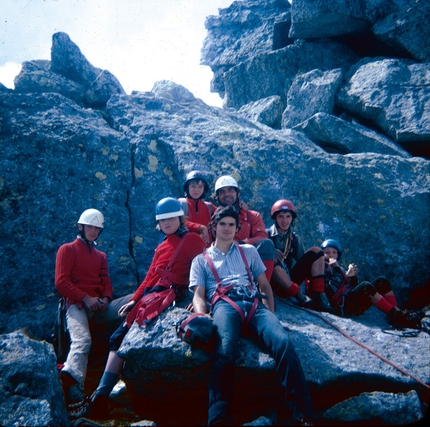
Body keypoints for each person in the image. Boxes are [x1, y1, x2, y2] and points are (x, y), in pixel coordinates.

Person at [190, 205, 314, 426]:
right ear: (214, 227)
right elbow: (199, 295)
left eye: (231, 225)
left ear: (237, 228)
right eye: (222, 224)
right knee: (224, 351)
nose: (227, 229)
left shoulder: (249, 251)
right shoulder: (201, 260)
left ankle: (301, 413)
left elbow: (265, 286)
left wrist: (270, 314)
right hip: (224, 304)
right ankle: (219, 419)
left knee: (283, 342)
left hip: (254, 303)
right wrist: (202, 315)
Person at [85, 197, 206, 418]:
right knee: (117, 337)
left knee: (123, 337)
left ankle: (102, 396)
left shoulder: (192, 240)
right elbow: (150, 277)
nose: (167, 223)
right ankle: (100, 397)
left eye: (171, 218)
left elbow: (203, 269)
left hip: (170, 295)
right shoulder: (161, 247)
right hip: (153, 295)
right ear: (158, 223)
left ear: (180, 218)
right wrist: (134, 300)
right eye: (162, 220)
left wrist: (198, 296)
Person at [55, 208, 133, 407]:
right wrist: (86, 298)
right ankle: (72, 386)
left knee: (136, 300)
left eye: (97, 228)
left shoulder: (100, 255)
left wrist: (106, 298)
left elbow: (106, 280)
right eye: (90, 227)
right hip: (76, 305)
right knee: (82, 341)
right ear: (81, 227)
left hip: (99, 306)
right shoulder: (68, 249)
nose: (93, 231)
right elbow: (61, 282)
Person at [320, 238, 426, 328]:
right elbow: (330, 289)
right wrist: (338, 270)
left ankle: (397, 315)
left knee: (382, 281)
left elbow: (353, 287)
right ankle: (399, 316)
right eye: (327, 252)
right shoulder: (322, 268)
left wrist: (352, 277)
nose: (331, 255)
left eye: (334, 252)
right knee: (366, 287)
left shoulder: (339, 268)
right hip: (342, 306)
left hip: (350, 301)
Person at [267, 199, 332, 312]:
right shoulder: (265, 235)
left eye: (288, 216)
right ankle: (299, 296)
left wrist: (323, 265)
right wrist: (271, 250)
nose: (285, 220)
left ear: (292, 218)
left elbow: (304, 262)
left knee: (316, 251)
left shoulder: (295, 239)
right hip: (271, 284)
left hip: (289, 280)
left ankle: (319, 296)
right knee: (273, 262)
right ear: (275, 218)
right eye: (281, 216)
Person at [213, 175, 276, 282]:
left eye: (230, 190)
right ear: (217, 196)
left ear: (238, 193)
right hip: (222, 260)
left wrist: (241, 243)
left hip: (248, 260)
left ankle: (263, 288)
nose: (226, 194)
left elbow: (262, 237)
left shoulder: (252, 216)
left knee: (267, 244)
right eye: (222, 192)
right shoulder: (213, 217)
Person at [179, 170, 216, 246]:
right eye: (193, 186)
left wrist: (241, 207)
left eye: (200, 187)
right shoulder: (180, 204)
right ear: (187, 188)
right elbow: (176, 222)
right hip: (186, 251)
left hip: (207, 252)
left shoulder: (208, 207)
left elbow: (226, 215)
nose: (197, 190)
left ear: (204, 189)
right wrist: (201, 227)